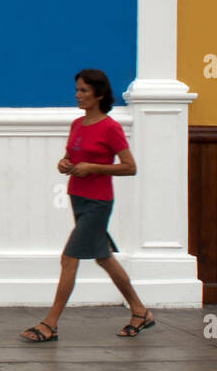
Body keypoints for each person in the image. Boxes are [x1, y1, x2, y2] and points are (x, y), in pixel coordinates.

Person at [20, 69, 154, 343]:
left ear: (99, 94)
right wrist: (64, 164)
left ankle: (51, 323)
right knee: (104, 258)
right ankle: (140, 311)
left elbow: (130, 167)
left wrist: (93, 167)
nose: (77, 95)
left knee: (69, 259)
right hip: (77, 198)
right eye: (77, 90)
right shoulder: (77, 125)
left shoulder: (111, 127)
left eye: (83, 91)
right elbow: (70, 156)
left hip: (98, 202)